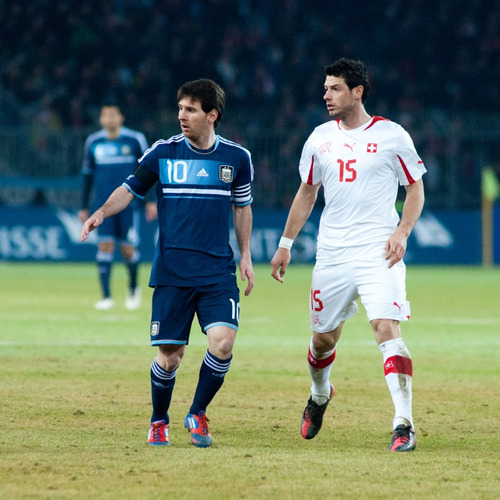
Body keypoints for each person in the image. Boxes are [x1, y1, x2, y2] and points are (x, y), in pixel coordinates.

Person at [81, 79, 255, 448]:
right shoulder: (162, 153)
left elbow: (242, 207)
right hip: (173, 271)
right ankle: (159, 420)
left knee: (223, 342)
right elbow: (128, 190)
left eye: (190, 109)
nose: (181, 116)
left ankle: (197, 412)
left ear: (212, 115)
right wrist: (100, 213)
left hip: (216, 271)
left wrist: (246, 256)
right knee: (170, 357)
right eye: (180, 108)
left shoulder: (237, 159)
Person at [270, 58, 425, 452]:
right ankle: (320, 394)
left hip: (378, 251)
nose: (326, 95)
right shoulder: (319, 138)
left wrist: (402, 231)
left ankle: (403, 424)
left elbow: (415, 189)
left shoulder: (393, 136)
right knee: (322, 340)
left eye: (335, 88)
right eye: (325, 88)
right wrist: (286, 244)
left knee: (386, 329)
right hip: (333, 253)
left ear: (358, 91)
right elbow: (307, 192)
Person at [79, 103, 156, 311]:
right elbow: (87, 175)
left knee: (127, 249)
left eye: (113, 114)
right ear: (101, 119)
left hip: (128, 205)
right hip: (101, 206)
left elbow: (148, 171)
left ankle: (132, 288)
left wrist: (150, 201)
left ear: (121, 118)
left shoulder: (134, 139)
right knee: (105, 245)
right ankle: (106, 297)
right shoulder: (93, 142)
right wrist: (83, 206)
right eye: (105, 115)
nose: (109, 119)